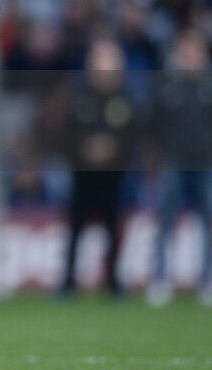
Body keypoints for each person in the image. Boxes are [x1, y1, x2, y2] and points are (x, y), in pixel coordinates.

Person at [58, 36, 138, 299]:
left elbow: (134, 140)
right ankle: (67, 282)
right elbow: (65, 137)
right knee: (75, 229)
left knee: (114, 229)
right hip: (81, 177)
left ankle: (114, 282)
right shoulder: (78, 98)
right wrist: (86, 151)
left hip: (114, 178)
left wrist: (112, 154)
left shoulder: (126, 100)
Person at [147, 28, 212, 307]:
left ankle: (208, 279)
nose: (191, 57)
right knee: (166, 221)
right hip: (173, 161)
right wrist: (156, 157)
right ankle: (160, 278)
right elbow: (153, 125)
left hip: (203, 162)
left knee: (207, 222)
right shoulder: (166, 86)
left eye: (195, 52)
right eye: (186, 51)